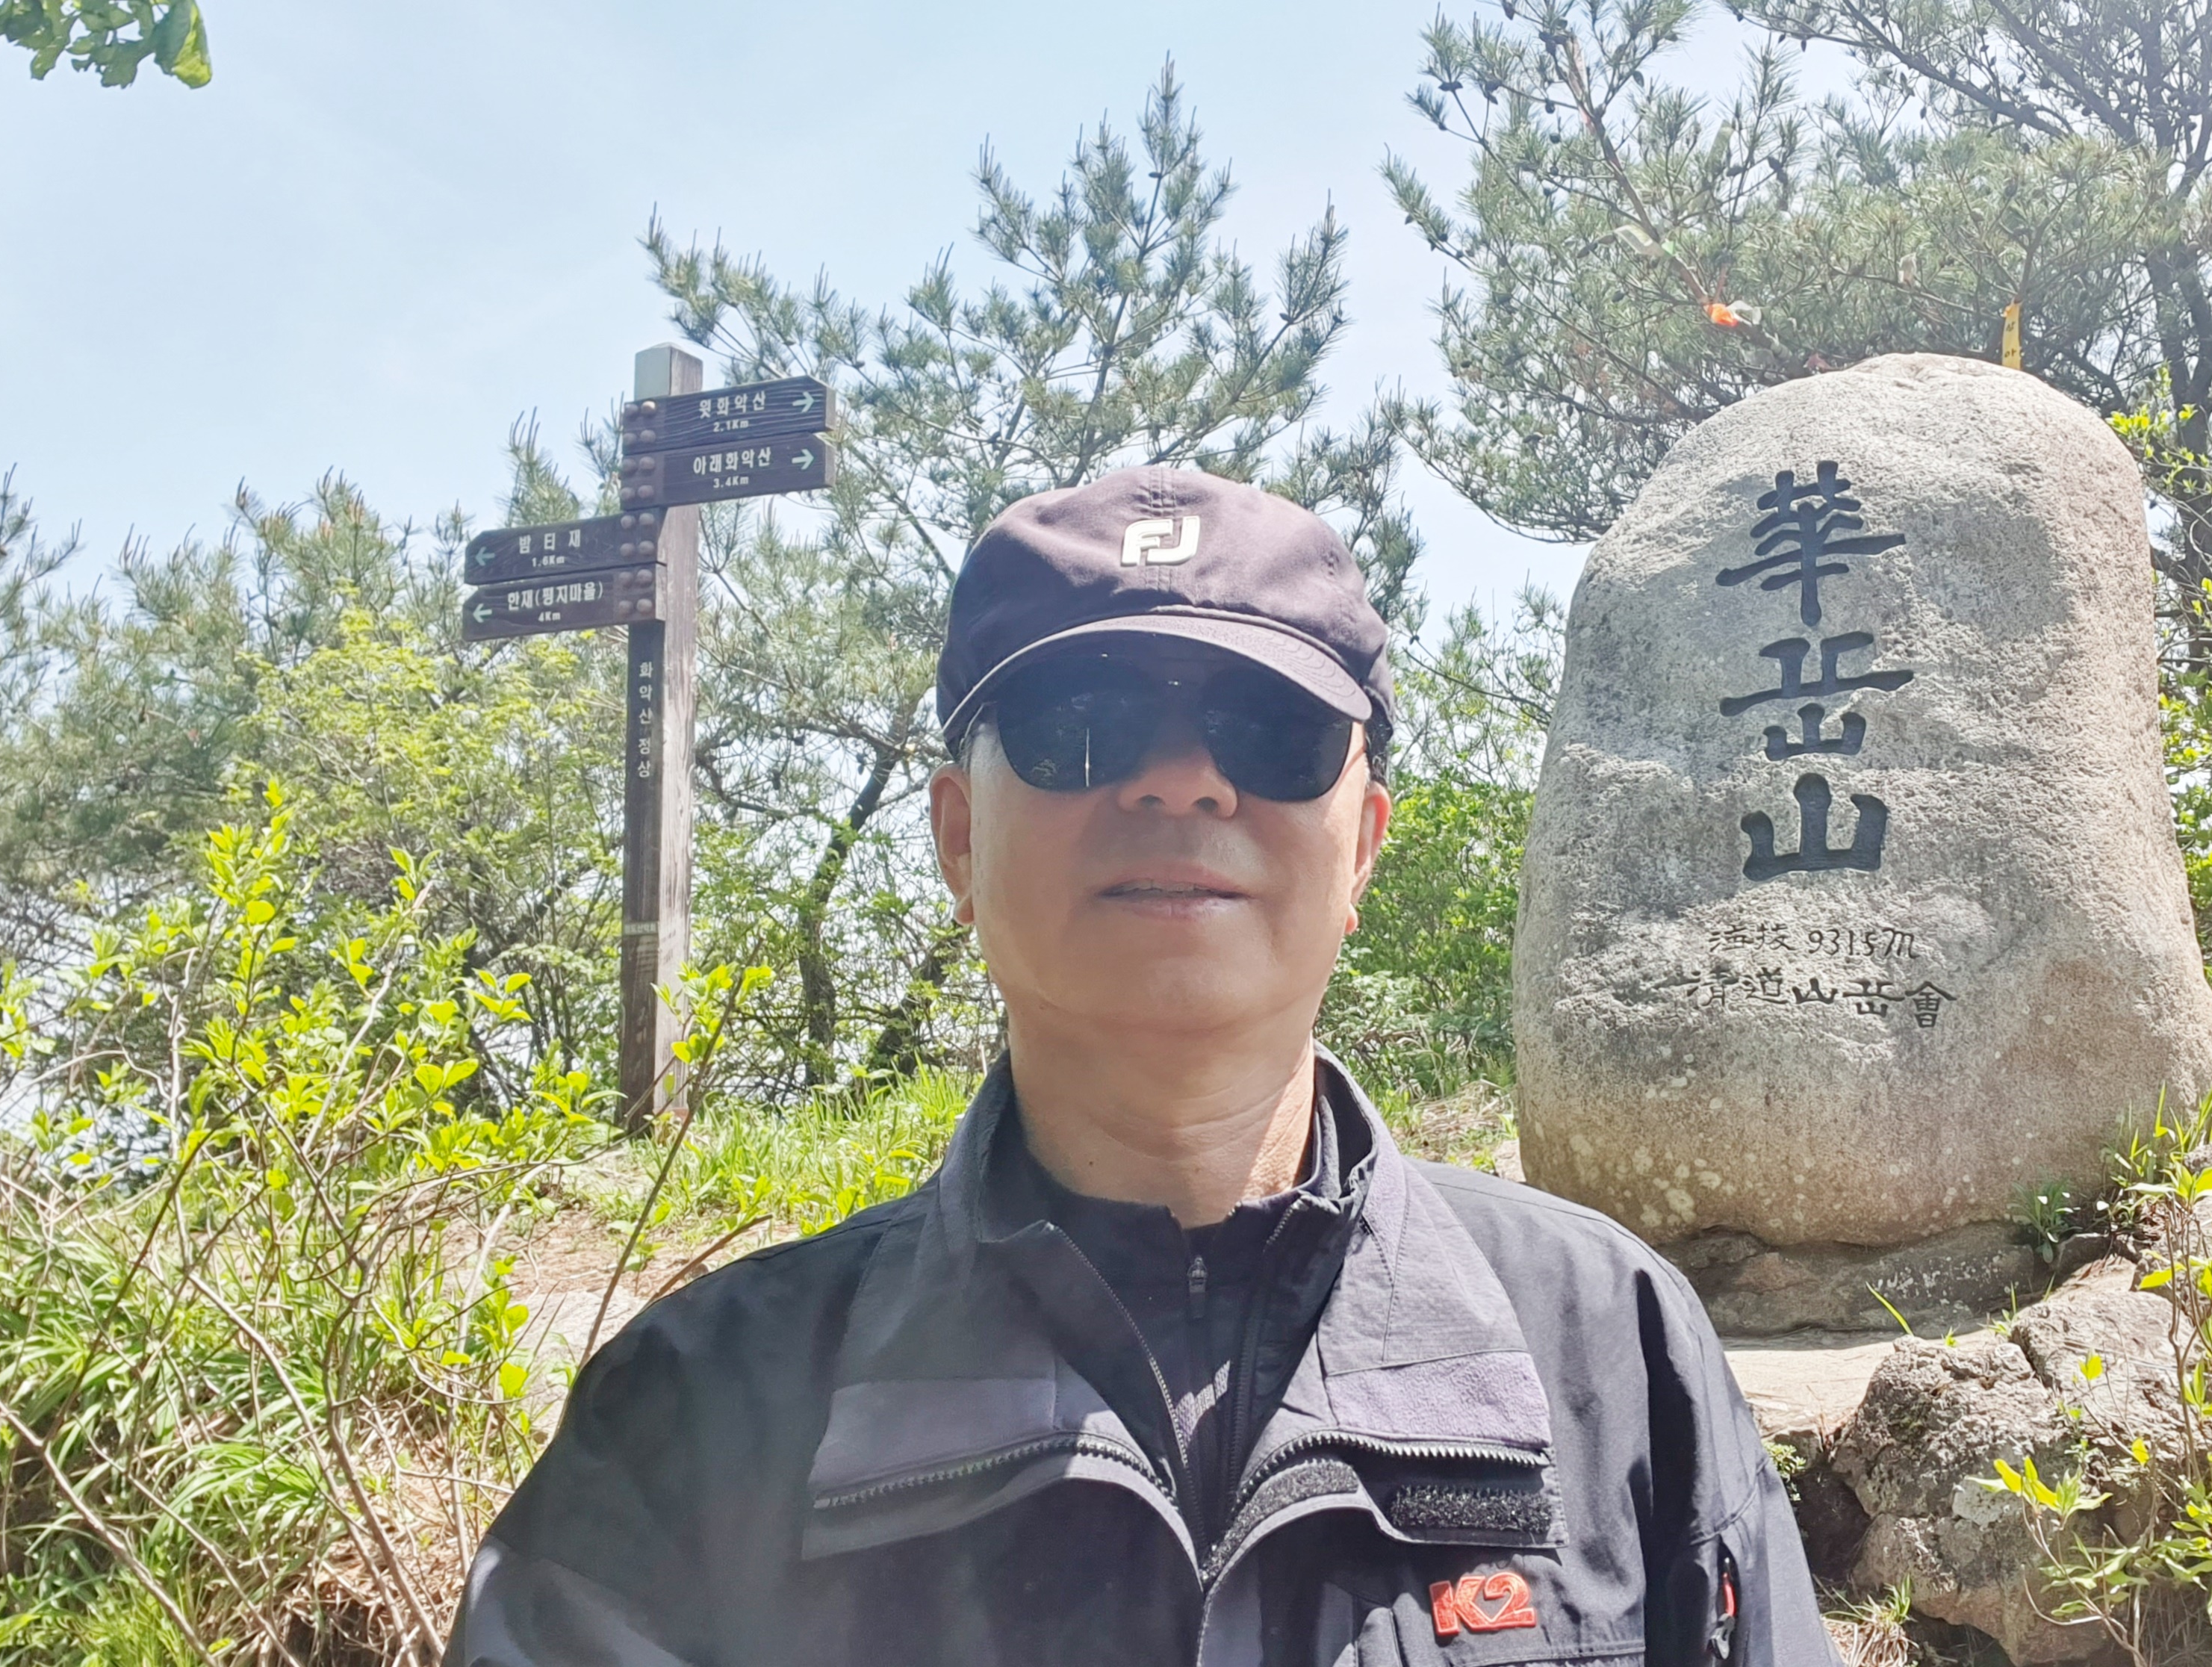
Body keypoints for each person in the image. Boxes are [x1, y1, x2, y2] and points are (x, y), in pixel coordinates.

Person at [448, 466, 1839, 1666]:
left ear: (1361, 848)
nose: (1182, 781)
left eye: (1273, 731)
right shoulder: (692, 1419)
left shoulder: (1613, 1351)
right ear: (958, 841)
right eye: (1081, 724)